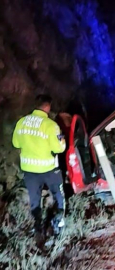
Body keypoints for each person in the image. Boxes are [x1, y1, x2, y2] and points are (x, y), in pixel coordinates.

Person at [12, 94, 66, 234]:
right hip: (48, 168)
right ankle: (58, 224)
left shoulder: (21, 122)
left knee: (35, 199)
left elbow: (15, 143)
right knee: (58, 195)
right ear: (47, 106)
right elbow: (59, 148)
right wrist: (62, 139)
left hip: (29, 170)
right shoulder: (51, 125)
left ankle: (38, 227)